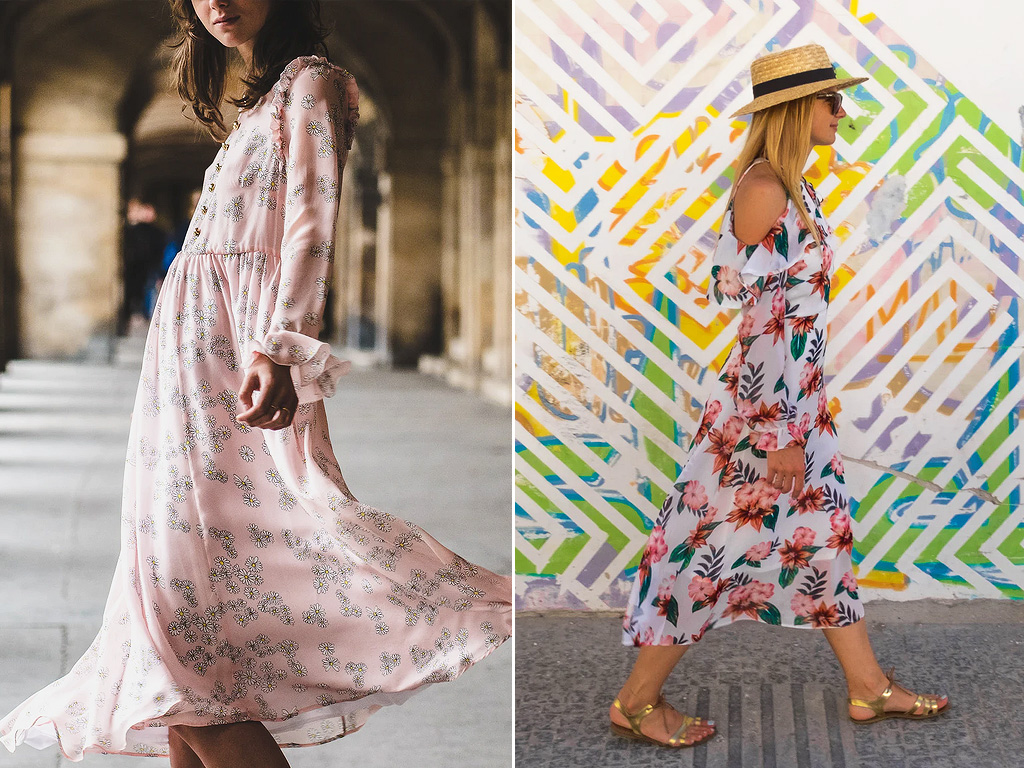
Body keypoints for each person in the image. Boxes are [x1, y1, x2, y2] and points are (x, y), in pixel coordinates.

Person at [0, 1, 512, 765]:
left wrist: (281, 348)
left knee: (179, 646)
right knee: (188, 642)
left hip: (229, 360)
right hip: (184, 370)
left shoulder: (314, 82)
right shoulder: (263, 102)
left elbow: (312, 224)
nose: (217, 0)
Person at [609, 44, 948, 748]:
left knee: (821, 545)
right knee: (704, 553)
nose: (841, 111)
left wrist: (800, 420)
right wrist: (778, 433)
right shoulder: (764, 187)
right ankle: (637, 701)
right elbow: (761, 322)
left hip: (797, 408)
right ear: (798, 109)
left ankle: (868, 688)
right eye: (831, 100)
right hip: (767, 418)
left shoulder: (794, 186)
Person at [119, 198, 166, 335]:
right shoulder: (132, 230)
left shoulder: (153, 231)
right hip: (136, 266)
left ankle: (147, 318)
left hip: (147, 266)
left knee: (148, 290)